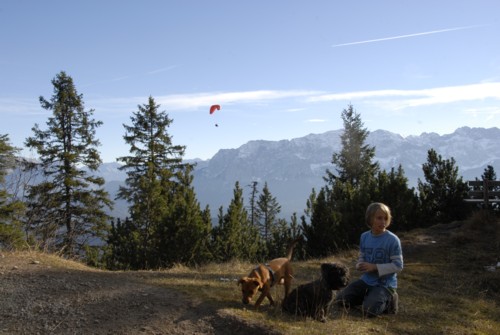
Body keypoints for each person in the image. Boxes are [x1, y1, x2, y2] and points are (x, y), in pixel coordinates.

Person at [336, 202, 403, 317]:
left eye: (385, 218)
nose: (383, 222)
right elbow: (362, 256)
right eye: (379, 218)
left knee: (369, 311)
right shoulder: (364, 236)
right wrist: (359, 264)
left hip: (385, 284)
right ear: (370, 219)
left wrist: (375, 267)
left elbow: (398, 266)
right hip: (366, 281)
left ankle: (390, 300)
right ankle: (370, 297)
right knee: (340, 300)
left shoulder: (392, 240)